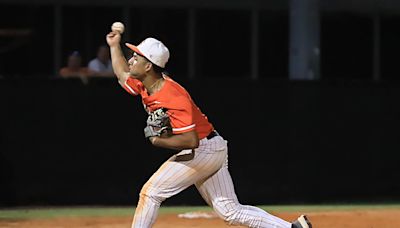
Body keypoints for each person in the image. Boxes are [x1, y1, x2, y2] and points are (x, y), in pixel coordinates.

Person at [106, 29, 313, 228]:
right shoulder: (144, 84)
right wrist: (114, 45)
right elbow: (122, 74)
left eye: (136, 56)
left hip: (203, 149)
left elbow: (191, 140)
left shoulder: (172, 95)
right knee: (230, 211)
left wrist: (158, 140)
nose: (131, 59)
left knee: (150, 193)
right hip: (213, 147)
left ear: (149, 66)